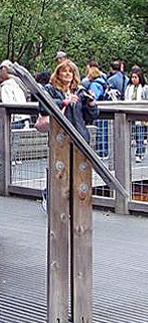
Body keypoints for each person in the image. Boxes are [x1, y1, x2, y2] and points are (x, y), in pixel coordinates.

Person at [39, 60, 99, 212]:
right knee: (59, 170)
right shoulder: (50, 89)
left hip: (80, 137)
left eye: (70, 72)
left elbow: (90, 116)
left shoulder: (80, 91)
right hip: (60, 138)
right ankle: (50, 196)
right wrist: (64, 102)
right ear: (58, 73)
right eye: (64, 71)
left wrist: (91, 103)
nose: (67, 74)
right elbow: (43, 106)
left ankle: (75, 204)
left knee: (79, 171)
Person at [125, 66, 148, 163]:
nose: (134, 79)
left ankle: (139, 153)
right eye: (132, 77)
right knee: (134, 134)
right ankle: (139, 150)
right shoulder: (128, 88)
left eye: (135, 77)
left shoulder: (145, 88)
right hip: (130, 114)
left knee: (140, 134)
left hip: (140, 115)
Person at [0, 60, 30, 129]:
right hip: (25, 119)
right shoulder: (18, 84)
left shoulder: (6, 87)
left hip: (14, 121)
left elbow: (7, 105)